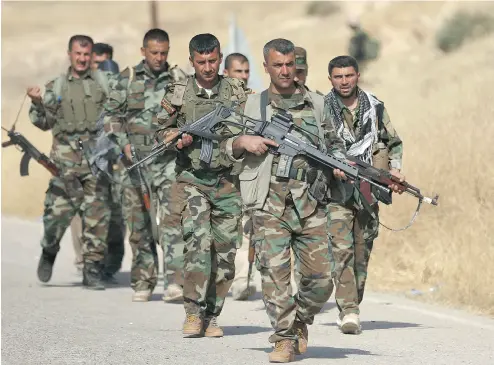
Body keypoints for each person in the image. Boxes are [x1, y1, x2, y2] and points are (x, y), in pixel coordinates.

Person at [227, 38, 347, 363]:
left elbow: (336, 144)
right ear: (265, 67)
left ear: (296, 65)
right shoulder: (252, 106)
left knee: (322, 279)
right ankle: (283, 339)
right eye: (277, 65)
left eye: (289, 64)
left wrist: (340, 165)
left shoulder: (320, 104)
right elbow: (226, 143)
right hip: (268, 202)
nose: (284, 71)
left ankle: (299, 322)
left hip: (311, 202)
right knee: (274, 276)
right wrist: (243, 141)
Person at [155, 33, 250, 338]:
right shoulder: (179, 93)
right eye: (201, 62)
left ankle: (212, 314)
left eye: (213, 61)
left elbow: (253, 124)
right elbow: (160, 132)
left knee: (224, 254)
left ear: (220, 58)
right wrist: (174, 139)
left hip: (228, 182)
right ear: (191, 60)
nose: (208, 67)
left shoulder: (237, 91)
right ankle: (193, 312)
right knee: (198, 242)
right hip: (192, 179)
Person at [103, 28, 187, 302]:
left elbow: (189, 115)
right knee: (137, 223)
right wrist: (123, 143)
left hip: (167, 162)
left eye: (164, 53)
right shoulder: (126, 79)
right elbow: (111, 117)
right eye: (154, 53)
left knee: (173, 221)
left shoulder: (178, 80)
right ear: (143, 52)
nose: (159, 58)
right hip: (135, 164)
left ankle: (174, 281)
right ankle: (143, 280)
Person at [324, 55, 404, 334]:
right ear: (330, 79)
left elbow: (393, 143)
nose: (344, 81)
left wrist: (396, 170)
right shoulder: (322, 109)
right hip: (337, 193)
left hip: (369, 190)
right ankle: (349, 310)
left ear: (357, 76)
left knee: (362, 251)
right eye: (338, 77)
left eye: (349, 75)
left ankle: (352, 302)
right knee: (341, 251)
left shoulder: (375, 106)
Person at [27, 34, 112, 290]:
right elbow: (42, 122)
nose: (83, 59)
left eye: (87, 55)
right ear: (70, 54)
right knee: (55, 217)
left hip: (95, 162)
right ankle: (49, 250)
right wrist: (37, 103)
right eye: (79, 54)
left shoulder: (103, 84)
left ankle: (92, 269)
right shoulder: (56, 86)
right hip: (64, 164)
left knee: (97, 217)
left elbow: (116, 113)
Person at [70, 56, 126, 280]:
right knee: (86, 215)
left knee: (116, 218)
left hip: (117, 170)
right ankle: (87, 261)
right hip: (90, 168)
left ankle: (110, 263)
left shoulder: (124, 101)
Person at [222, 52, 258, 301]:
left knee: (248, 228)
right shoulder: (217, 101)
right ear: (226, 73)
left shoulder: (256, 101)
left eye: (246, 72)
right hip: (222, 176)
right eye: (238, 72)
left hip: (247, 175)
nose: (243, 77)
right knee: (225, 232)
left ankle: (243, 281)